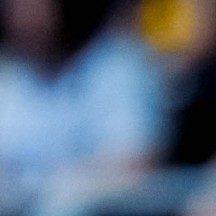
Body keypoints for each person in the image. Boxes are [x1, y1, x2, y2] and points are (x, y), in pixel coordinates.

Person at [0, 0, 165, 184]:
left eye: (34, 6)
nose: (21, 18)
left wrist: (53, 183)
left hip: (100, 201)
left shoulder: (118, 66)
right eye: (13, 7)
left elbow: (135, 160)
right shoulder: (12, 74)